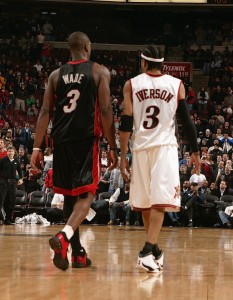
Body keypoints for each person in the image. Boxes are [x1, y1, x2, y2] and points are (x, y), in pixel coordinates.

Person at [30, 31, 118, 271]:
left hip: (61, 141)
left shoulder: (55, 75)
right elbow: (107, 109)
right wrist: (113, 146)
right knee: (87, 194)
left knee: (70, 195)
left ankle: (78, 252)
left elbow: (45, 112)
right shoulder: (99, 71)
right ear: (88, 47)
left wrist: (37, 147)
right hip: (86, 140)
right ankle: (64, 236)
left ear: (70, 49)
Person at [119, 45, 201, 273]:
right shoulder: (176, 85)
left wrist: (123, 156)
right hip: (164, 147)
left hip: (140, 148)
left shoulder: (131, 84)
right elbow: (186, 120)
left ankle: (151, 250)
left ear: (144, 63)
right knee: (158, 202)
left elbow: (126, 122)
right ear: (162, 63)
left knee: (148, 202)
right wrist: (195, 151)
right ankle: (149, 251)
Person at [0, 145, 23, 225]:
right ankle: (1, 219)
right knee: (1, 200)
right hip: (3, 182)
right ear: (7, 152)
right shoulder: (2, 160)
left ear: (14, 152)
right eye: (9, 151)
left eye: (11, 151)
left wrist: (20, 179)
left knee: (11, 202)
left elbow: (20, 171)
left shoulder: (16, 160)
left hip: (13, 183)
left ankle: (8, 219)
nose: (10, 153)